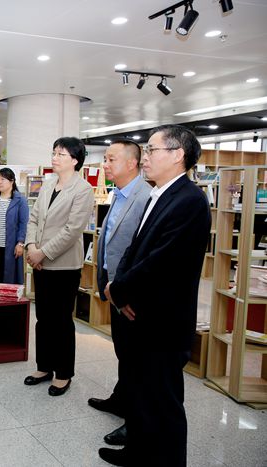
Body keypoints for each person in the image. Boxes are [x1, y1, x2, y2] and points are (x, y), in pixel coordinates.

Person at [101, 125, 211, 466]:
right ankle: (137, 451)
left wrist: (119, 290)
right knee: (142, 393)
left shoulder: (189, 200)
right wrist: (118, 290)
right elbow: (135, 250)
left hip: (163, 321)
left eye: (152, 150)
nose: (145, 157)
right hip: (141, 313)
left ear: (178, 155)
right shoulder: (159, 193)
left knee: (163, 403)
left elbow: (161, 261)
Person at [87, 141, 151, 447]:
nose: (105, 164)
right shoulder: (119, 193)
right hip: (114, 289)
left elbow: (142, 253)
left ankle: (134, 419)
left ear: (132, 163)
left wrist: (126, 293)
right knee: (123, 352)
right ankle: (121, 399)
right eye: (105, 158)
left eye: (111, 159)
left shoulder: (145, 197)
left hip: (129, 293)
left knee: (135, 359)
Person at [23, 137, 95, 396]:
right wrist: (31, 246)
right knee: (43, 318)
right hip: (40, 263)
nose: (54, 157)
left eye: (61, 154)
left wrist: (42, 253)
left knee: (61, 320)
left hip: (64, 266)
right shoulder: (48, 184)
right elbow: (33, 219)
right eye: (54, 152)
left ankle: (63, 373)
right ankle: (44, 367)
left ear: (75, 160)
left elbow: (72, 230)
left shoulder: (83, 189)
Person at [0, 167, 29, 284]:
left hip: (10, 246)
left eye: (2, 179)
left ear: (12, 181)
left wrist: (20, 243)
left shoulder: (20, 200)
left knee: (7, 277)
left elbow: (23, 223)